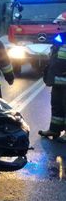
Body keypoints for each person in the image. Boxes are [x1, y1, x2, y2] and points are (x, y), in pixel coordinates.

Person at [39, 12, 66, 140]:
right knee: (56, 105)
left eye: (62, 24)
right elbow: (53, 59)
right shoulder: (59, 39)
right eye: (59, 24)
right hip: (57, 81)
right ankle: (54, 130)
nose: (59, 26)